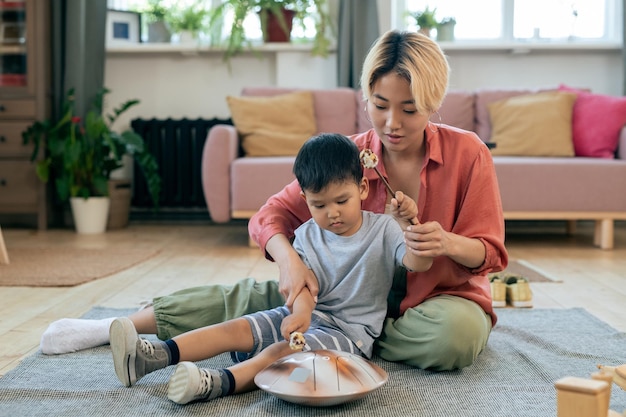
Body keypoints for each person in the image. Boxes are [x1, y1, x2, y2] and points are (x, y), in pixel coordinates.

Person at [40, 29, 508, 371]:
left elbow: (490, 252)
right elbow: (270, 215)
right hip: (336, 296)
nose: (392, 123)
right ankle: (116, 327)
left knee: (457, 335)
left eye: (410, 109)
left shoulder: (468, 153)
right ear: (367, 96)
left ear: (434, 101)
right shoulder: (346, 156)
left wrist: (444, 242)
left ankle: (350, 339)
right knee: (250, 296)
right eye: (380, 104)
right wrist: (288, 262)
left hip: (435, 301)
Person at [107, 133, 432, 404]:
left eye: (341, 201)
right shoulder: (305, 234)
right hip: (312, 318)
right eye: (319, 205)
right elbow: (306, 287)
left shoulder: (385, 230)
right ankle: (152, 357)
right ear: (305, 199)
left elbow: (418, 263)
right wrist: (300, 315)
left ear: (362, 189)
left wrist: (408, 227)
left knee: (280, 351)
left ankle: (216, 383)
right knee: (235, 327)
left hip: (351, 337)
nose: (332, 213)